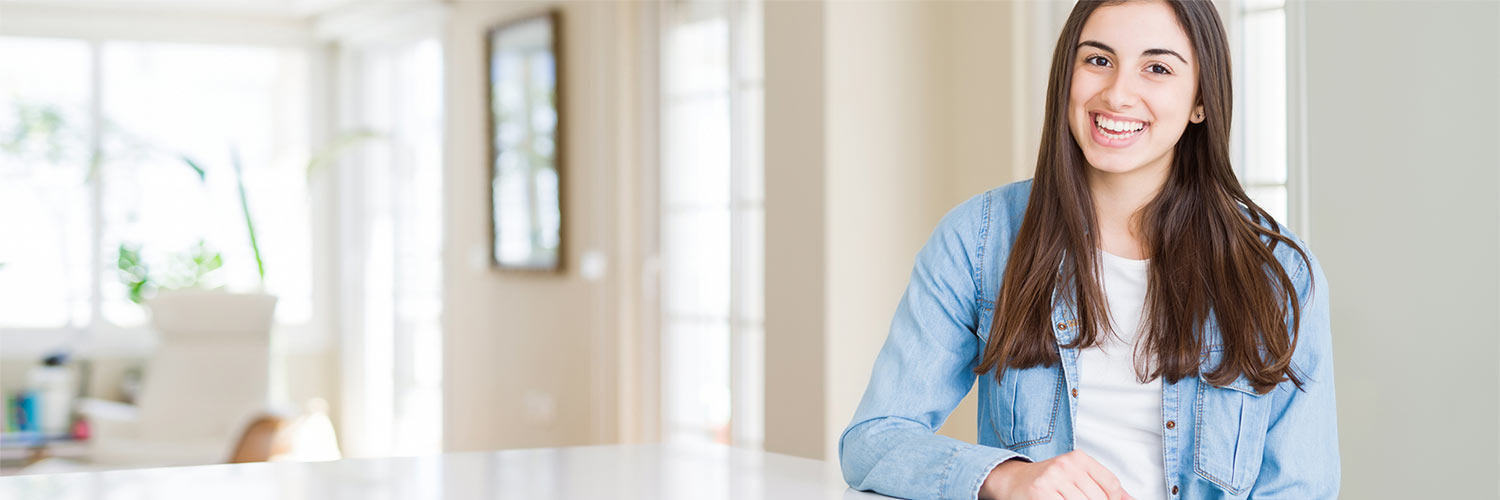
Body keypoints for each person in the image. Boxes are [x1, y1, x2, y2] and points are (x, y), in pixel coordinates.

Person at [837, 1, 1339, 499]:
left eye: (1157, 68)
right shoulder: (979, 239)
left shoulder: (1280, 273)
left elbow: (1300, 488)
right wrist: (1005, 477)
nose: (1118, 94)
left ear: (1200, 101)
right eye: (1098, 60)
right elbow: (873, 440)